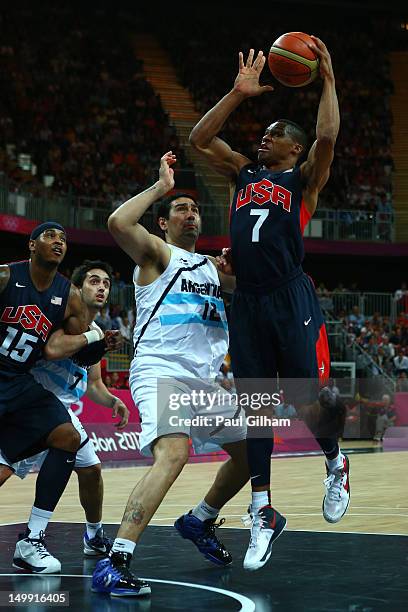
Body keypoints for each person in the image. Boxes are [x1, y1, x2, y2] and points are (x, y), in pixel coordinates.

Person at [189, 38, 350, 570]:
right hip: (250, 303)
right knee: (255, 409)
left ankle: (335, 462)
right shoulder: (244, 173)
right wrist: (237, 94)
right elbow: (199, 137)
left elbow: (328, 133)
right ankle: (261, 511)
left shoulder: (303, 180)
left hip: (289, 295)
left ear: (295, 149)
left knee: (305, 400)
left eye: (274, 134)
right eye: (263, 133)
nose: (264, 139)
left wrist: (326, 78)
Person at [91, 152, 249, 597]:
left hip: (205, 382)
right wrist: (161, 188)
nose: (191, 214)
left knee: (253, 450)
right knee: (174, 453)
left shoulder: (213, 269)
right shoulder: (158, 254)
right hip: (161, 371)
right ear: (163, 223)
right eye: (181, 209)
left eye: (195, 208)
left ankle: (198, 519)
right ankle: (115, 560)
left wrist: (239, 271)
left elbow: (253, 288)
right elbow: (118, 223)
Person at [0, 260, 129, 573]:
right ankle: (31, 542)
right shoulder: (56, 319)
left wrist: (112, 400)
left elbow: (94, 384)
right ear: (76, 288)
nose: (100, 288)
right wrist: (90, 341)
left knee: (92, 470)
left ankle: (94, 535)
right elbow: (52, 350)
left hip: (60, 412)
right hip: (30, 406)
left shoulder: (96, 332)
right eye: (93, 282)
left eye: (105, 284)